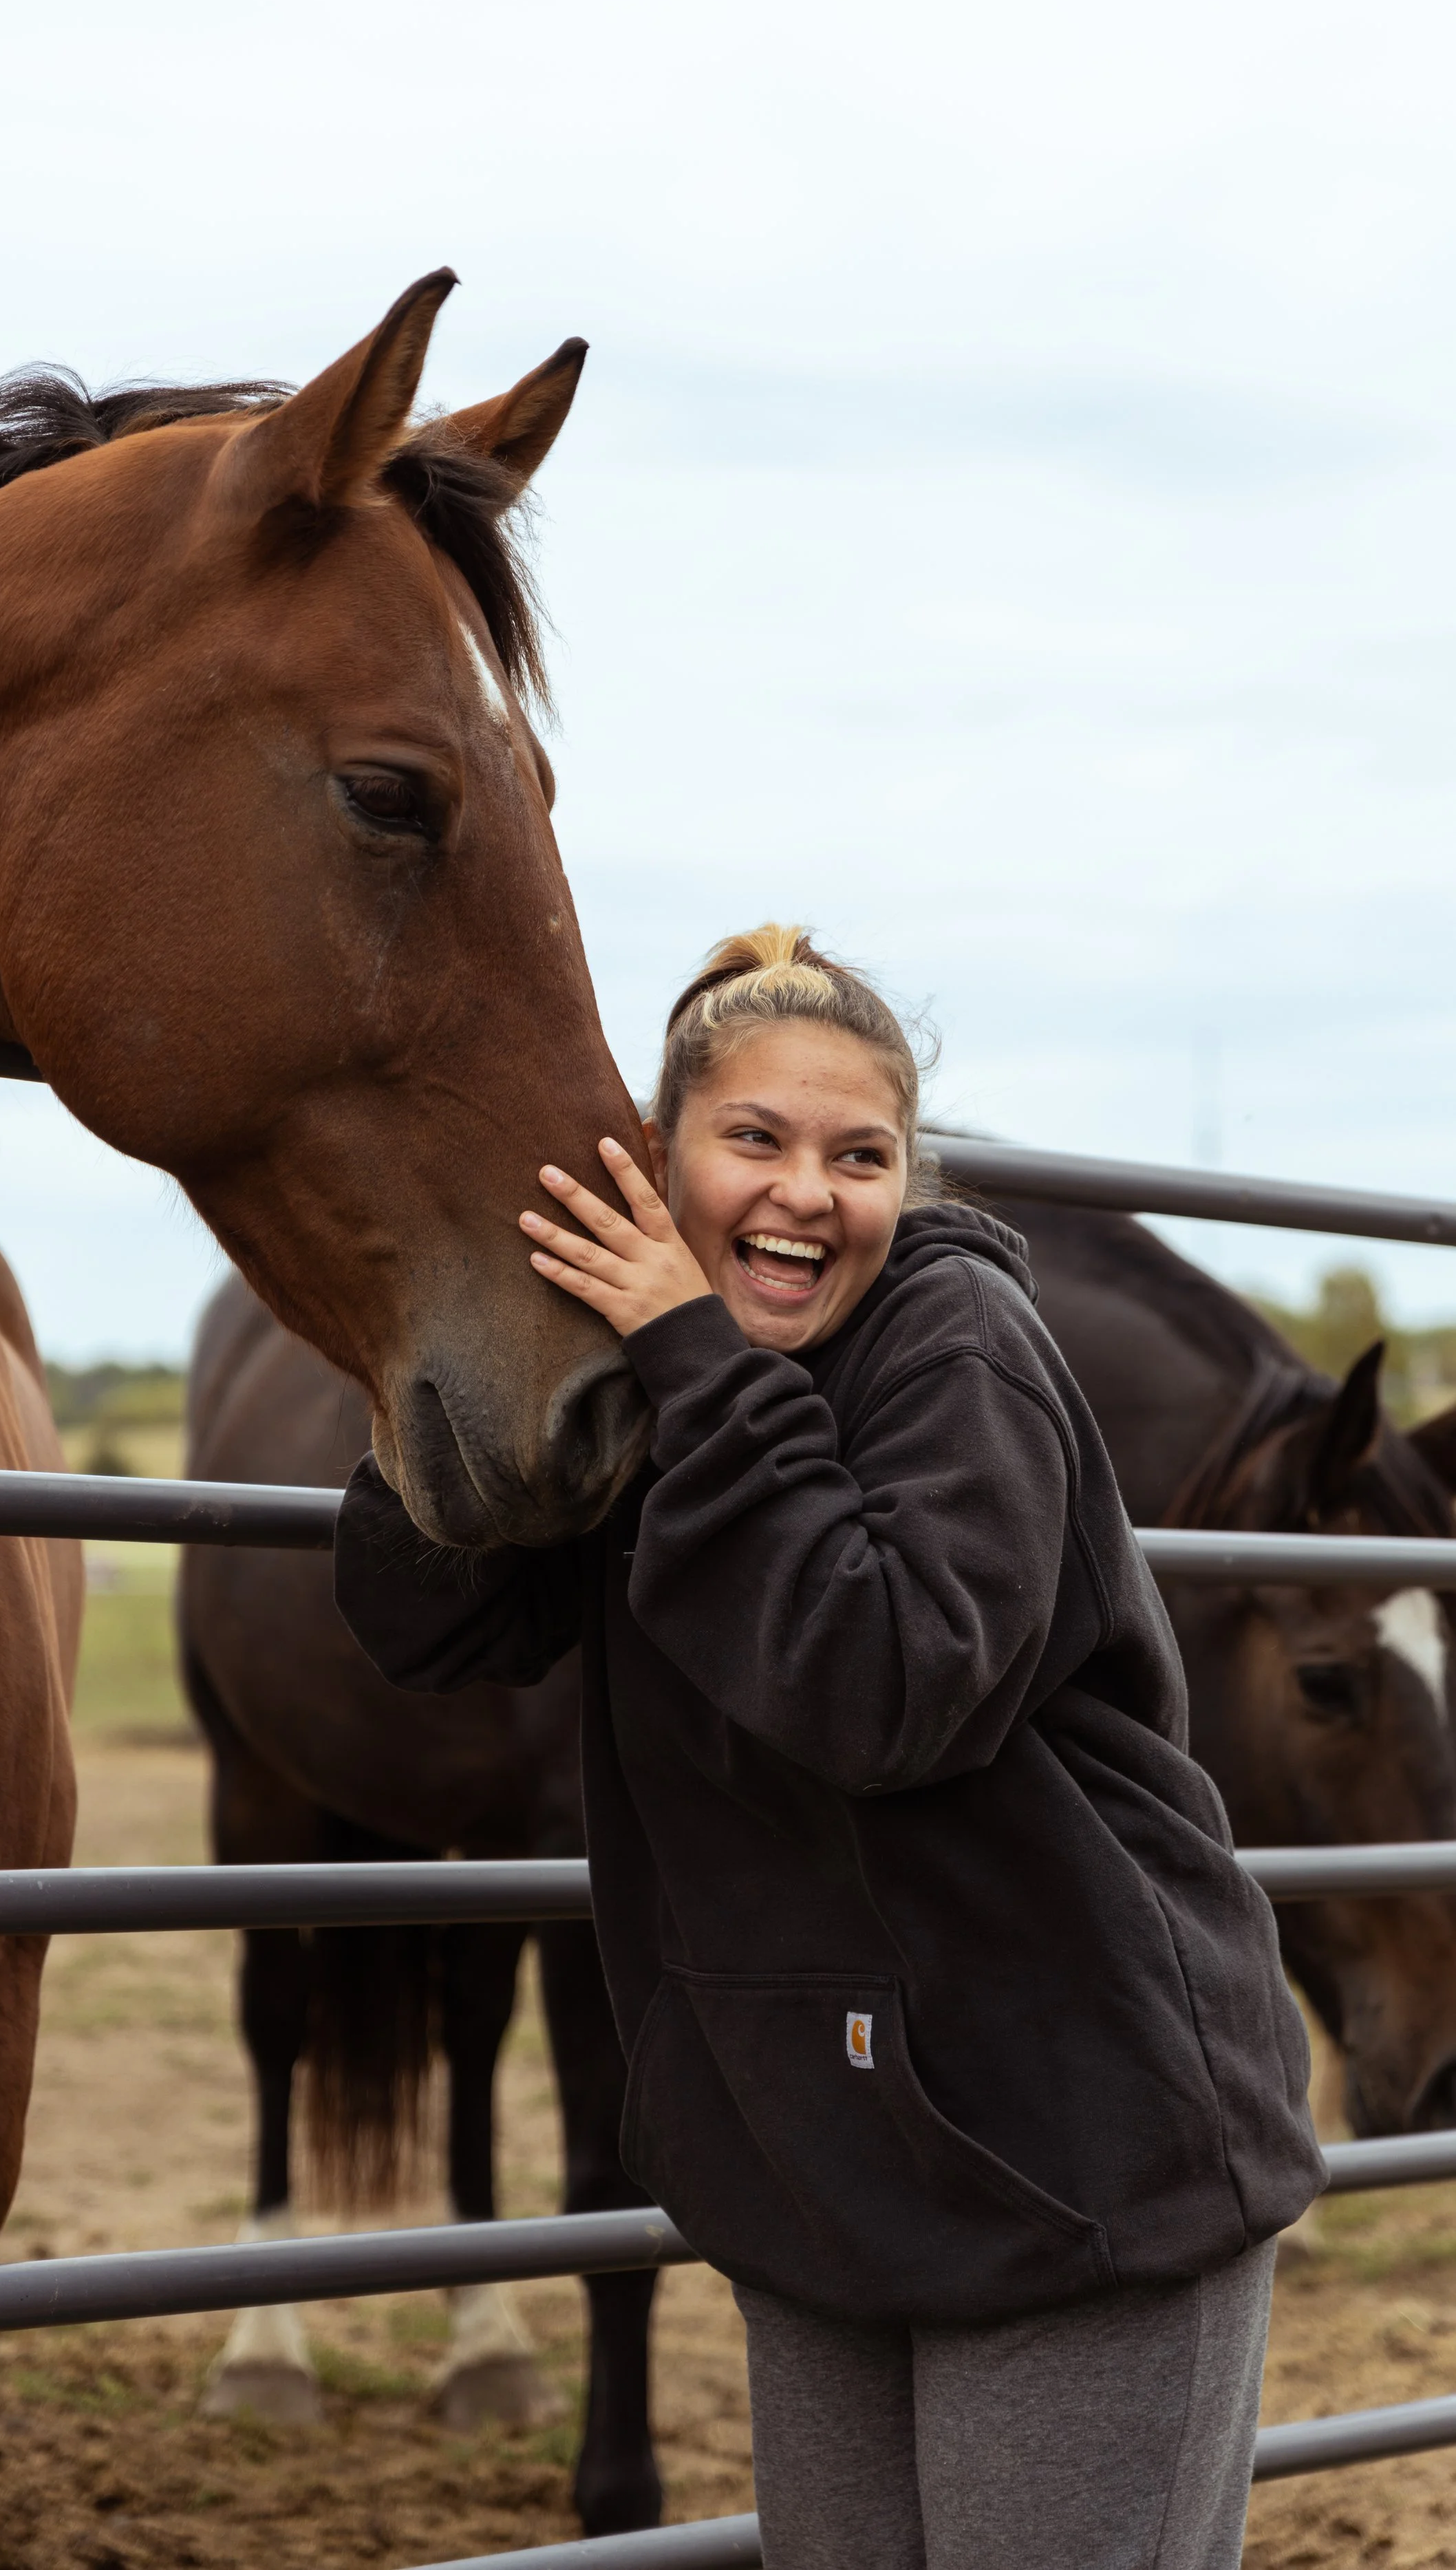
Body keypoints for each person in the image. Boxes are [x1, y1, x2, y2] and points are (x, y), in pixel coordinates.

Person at [334, 925, 1323, 2569]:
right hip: (818, 2158)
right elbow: (431, 1629)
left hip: (1075, 2154)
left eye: (858, 1156)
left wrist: (694, 1366)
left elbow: (885, 1681)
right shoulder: (660, 1379)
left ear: (904, 1186)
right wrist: (469, 1337)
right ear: (658, 1167)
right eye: (753, 1141)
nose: (807, 1191)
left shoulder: (955, 1352)